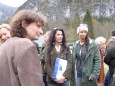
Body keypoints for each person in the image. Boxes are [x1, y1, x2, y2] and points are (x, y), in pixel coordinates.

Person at [0, 9, 47, 86]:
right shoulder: (26, 45)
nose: (41, 31)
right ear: (24, 24)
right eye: (38, 26)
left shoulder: (4, 46)